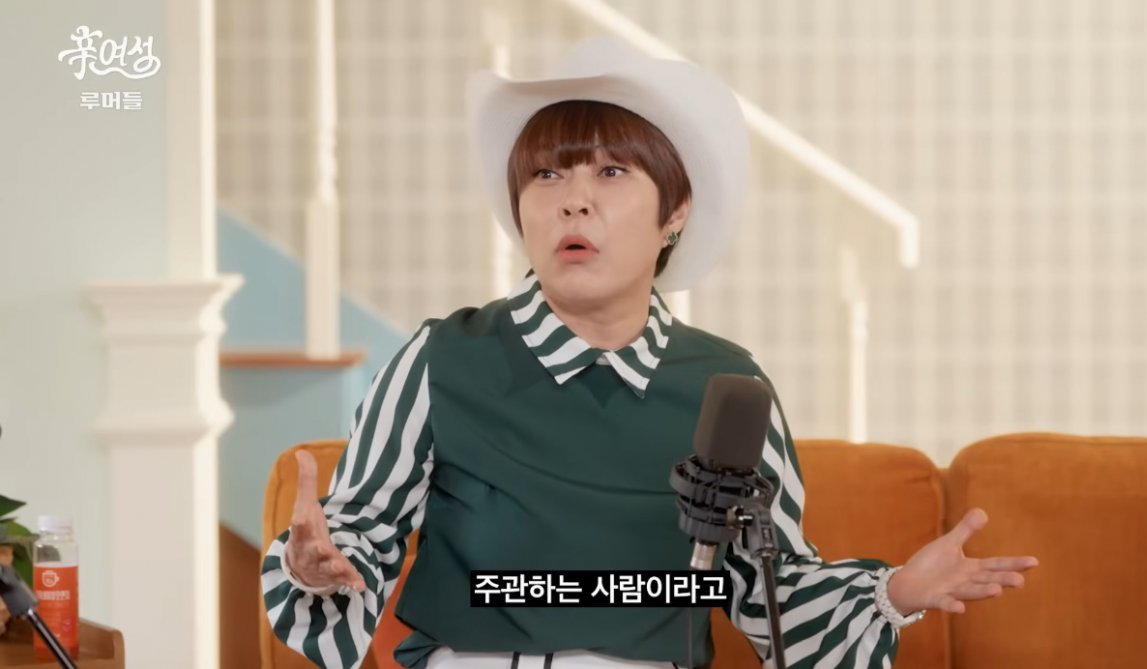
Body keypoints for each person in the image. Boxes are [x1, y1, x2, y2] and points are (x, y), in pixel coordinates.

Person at [261, 37, 1038, 669]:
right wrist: (311, 564)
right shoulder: (442, 359)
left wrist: (893, 593)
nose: (574, 198)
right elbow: (352, 535)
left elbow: (775, 594)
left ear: (676, 212)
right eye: (546, 173)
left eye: (611, 171)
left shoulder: (727, 388)